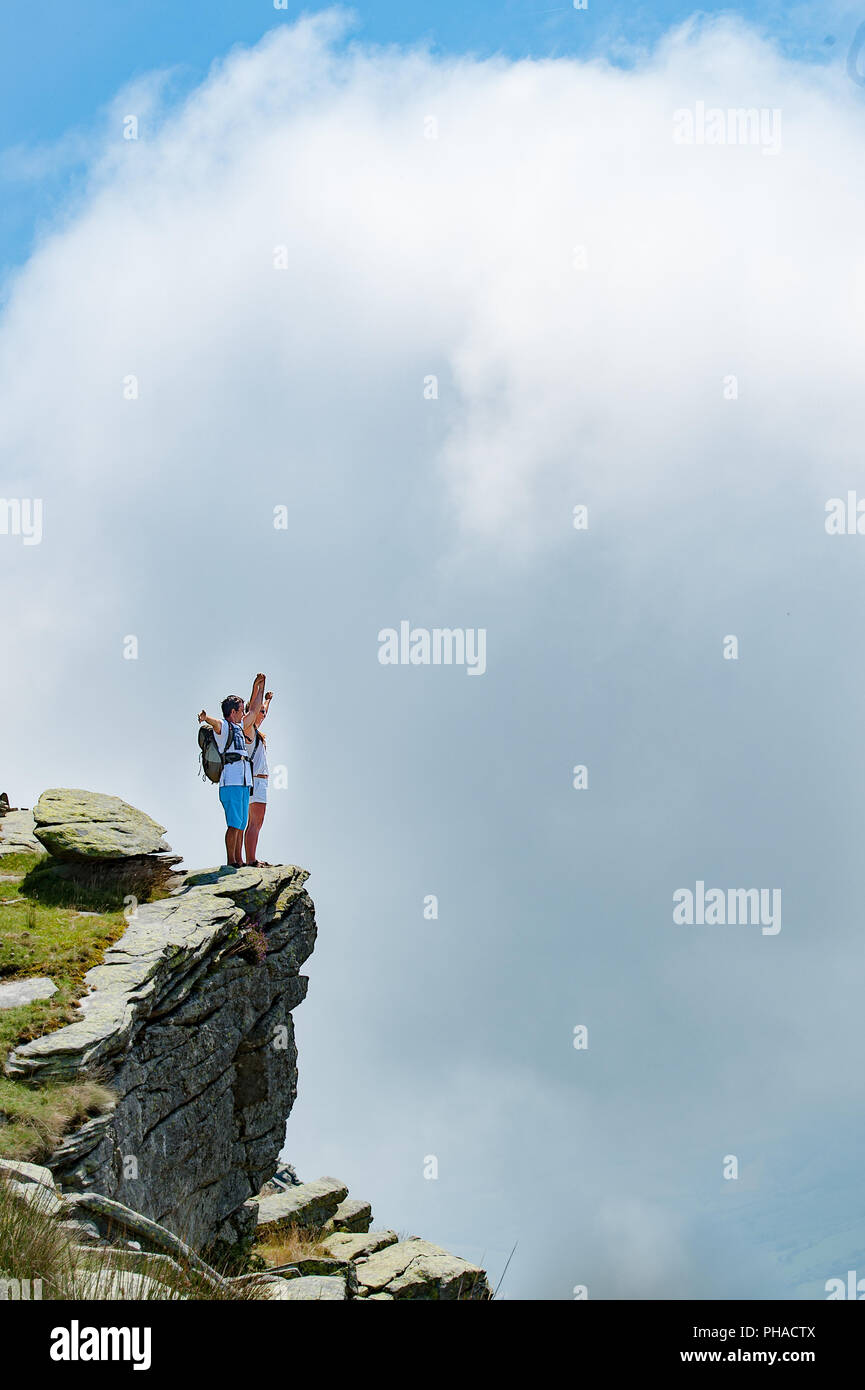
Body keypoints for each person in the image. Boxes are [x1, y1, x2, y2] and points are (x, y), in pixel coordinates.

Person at [198, 674, 265, 867]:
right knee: (234, 824)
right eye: (240, 710)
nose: (244, 713)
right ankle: (231, 861)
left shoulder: (239, 726)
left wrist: (258, 688)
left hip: (244, 782)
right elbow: (215, 723)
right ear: (233, 711)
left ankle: (239, 861)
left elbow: (254, 710)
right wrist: (206, 718)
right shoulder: (226, 727)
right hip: (232, 781)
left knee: (241, 824)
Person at [245, 690, 272, 866]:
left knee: (255, 822)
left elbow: (263, 710)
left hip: (256, 780)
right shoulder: (250, 731)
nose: (263, 714)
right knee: (255, 822)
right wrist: (259, 687)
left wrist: (268, 700)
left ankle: (250, 858)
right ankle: (251, 859)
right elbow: (256, 708)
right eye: (260, 711)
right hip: (256, 781)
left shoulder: (254, 731)